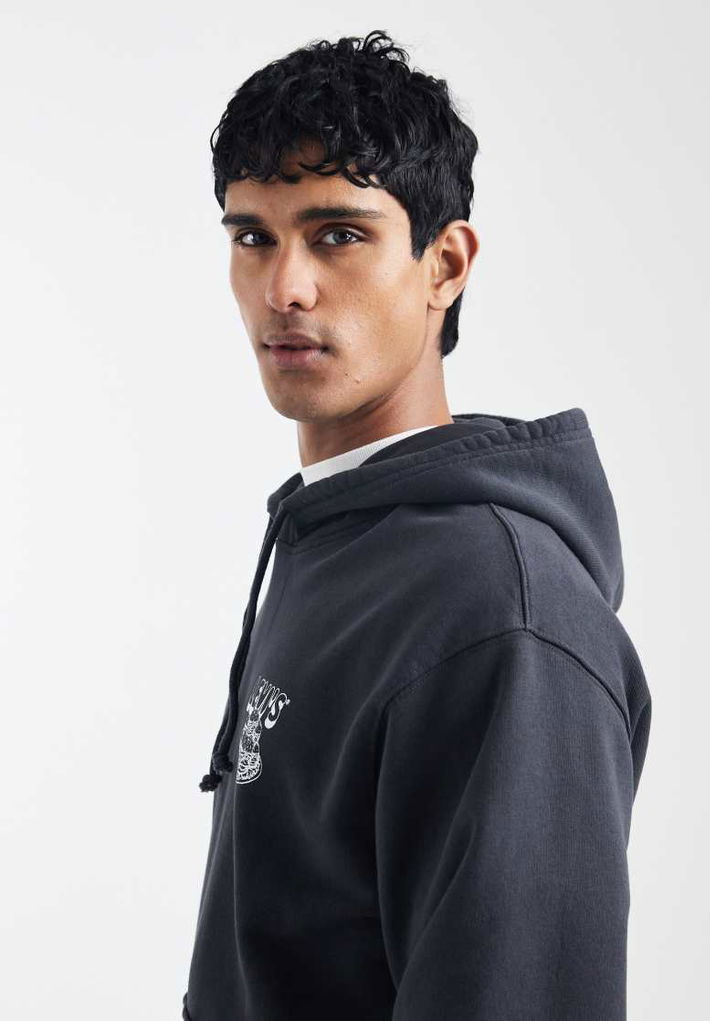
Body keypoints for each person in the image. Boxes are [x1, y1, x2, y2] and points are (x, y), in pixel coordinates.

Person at [182, 28, 651, 1021]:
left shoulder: (502, 614)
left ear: (444, 263)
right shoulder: (332, 536)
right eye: (252, 237)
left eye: (337, 235)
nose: (284, 288)